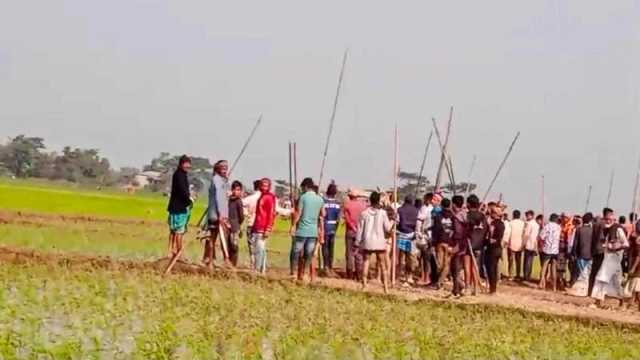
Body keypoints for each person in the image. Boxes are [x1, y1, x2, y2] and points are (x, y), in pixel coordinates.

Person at [356, 191, 394, 293]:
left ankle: (364, 285)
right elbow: (387, 228)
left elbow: (360, 229)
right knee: (382, 264)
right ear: (378, 201)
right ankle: (385, 287)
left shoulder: (364, 213)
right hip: (380, 242)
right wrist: (393, 221)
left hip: (368, 241)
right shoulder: (383, 213)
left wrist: (358, 241)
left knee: (366, 262)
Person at [591, 208, 629, 307]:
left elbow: (625, 244)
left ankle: (599, 301)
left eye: (609, 219)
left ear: (613, 218)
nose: (608, 221)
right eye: (606, 219)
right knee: (613, 280)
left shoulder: (618, 229)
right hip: (608, 258)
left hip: (614, 258)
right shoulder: (607, 230)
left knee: (603, 278)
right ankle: (619, 300)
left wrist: (615, 247)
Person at [290, 178, 325, 282]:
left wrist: (293, 225)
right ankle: (305, 273)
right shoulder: (320, 199)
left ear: (305, 187)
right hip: (313, 232)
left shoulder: (303, 197)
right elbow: (323, 214)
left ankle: (294, 273)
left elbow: (299, 213)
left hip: (302, 230)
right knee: (308, 254)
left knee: (296, 252)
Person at [204, 160, 230, 268]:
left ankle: (210, 260)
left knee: (213, 239)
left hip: (217, 214)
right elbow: (219, 198)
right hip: (217, 215)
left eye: (226, 168)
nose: (225, 169)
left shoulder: (220, 180)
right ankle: (225, 260)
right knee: (220, 238)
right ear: (218, 169)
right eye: (222, 168)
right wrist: (220, 215)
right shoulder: (217, 180)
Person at [166, 155, 193, 259]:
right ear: (181, 164)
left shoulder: (181, 174)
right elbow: (182, 191)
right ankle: (178, 252)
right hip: (179, 207)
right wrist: (189, 200)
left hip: (175, 206)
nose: (188, 166)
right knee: (178, 231)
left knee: (173, 230)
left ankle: (171, 251)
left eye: (188, 164)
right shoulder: (179, 175)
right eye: (186, 164)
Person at [250, 178, 276, 274]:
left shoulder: (269, 197)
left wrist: (268, 228)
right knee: (259, 248)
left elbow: (271, 213)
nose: (264, 187)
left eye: (266, 186)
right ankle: (262, 269)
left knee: (259, 249)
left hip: (262, 227)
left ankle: (258, 269)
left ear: (269, 187)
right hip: (257, 225)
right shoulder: (261, 196)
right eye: (262, 185)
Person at [567, 213, 594, 297]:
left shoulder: (579, 229)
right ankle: (588, 290)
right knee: (587, 274)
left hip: (581, 255)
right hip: (590, 255)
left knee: (582, 273)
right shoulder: (593, 230)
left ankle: (582, 290)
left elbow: (575, 243)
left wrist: (573, 253)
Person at [466, 194, 489, 293]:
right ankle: (475, 288)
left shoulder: (468, 215)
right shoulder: (483, 216)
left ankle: (467, 287)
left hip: (469, 244)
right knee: (475, 267)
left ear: (468, 204)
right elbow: (486, 230)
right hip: (479, 244)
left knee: (468, 265)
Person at [343, 188, 367, 280]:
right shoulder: (363, 205)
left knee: (349, 254)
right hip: (360, 232)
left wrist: (353, 227)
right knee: (359, 254)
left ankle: (350, 274)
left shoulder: (347, 205)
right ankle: (359, 274)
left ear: (350, 196)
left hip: (350, 231)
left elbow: (347, 218)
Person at [396, 195, 418, 285]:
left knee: (401, 256)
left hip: (402, 234)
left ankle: (399, 275)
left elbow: (397, 222)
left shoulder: (400, 210)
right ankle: (409, 276)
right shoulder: (416, 210)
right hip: (411, 235)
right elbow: (418, 223)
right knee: (410, 257)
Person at [322, 183, 342, 275]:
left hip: (325, 227)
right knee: (331, 248)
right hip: (333, 227)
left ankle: (326, 266)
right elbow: (339, 219)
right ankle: (330, 267)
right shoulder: (338, 204)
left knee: (325, 248)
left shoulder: (324, 202)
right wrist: (336, 228)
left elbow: (322, 215)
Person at [242, 180, 262, 269]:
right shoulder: (266, 197)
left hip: (251, 224)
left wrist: (246, 213)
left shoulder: (250, 198)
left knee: (251, 245)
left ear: (254, 187)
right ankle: (260, 265)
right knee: (260, 246)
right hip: (262, 226)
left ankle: (253, 263)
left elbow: (240, 204)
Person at [416, 193, 435, 285]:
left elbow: (419, 221)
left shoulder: (425, 209)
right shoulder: (433, 209)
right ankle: (425, 276)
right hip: (429, 236)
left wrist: (418, 233)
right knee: (426, 258)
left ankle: (425, 277)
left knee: (425, 258)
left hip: (425, 236)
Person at [539, 213, 561, 291]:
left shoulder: (547, 226)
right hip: (555, 250)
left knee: (544, 267)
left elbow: (541, 237)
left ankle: (542, 283)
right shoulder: (559, 227)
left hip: (547, 249)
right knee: (553, 268)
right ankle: (554, 287)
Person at [486, 207, 506, 294]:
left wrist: (488, 240)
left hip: (492, 248)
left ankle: (492, 288)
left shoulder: (493, 224)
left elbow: (491, 235)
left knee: (491, 269)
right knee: (494, 268)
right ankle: (493, 288)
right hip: (498, 248)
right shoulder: (502, 224)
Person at [227, 180, 245, 267]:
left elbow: (241, 216)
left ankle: (233, 264)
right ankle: (229, 262)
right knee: (228, 245)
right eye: (234, 189)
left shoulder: (239, 201)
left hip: (235, 227)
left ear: (240, 191)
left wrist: (237, 224)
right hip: (227, 225)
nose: (236, 192)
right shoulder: (229, 200)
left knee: (234, 246)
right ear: (232, 190)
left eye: (238, 190)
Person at [522, 210, 540, 282]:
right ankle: (528, 276)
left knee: (527, 261)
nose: (527, 217)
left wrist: (523, 244)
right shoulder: (536, 225)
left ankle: (526, 276)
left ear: (532, 216)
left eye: (528, 215)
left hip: (529, 244)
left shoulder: (530, 224)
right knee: (530, 261)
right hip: (533, 245)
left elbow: (526, 235)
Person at [507, 210, 526, 280]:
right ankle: (518, 275)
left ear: (513, 215)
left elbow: (508, 233)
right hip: (520, 244)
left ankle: (511, 275)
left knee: (511, 261)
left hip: (511, 244)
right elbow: (524, 234)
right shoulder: (523, 223)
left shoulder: (510, 223)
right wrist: (523, 244)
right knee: (518, 261)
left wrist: (507, 242)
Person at [624, 235, 640, 311]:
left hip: (637, 272)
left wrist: (633, 268)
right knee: (636, 290)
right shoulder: (635, 248)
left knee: (634, 289)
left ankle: (629, 306)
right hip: (637, 271)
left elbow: (638, 257)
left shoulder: (637, 247)